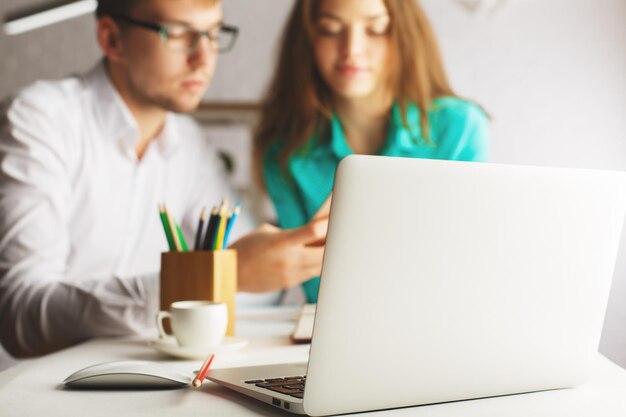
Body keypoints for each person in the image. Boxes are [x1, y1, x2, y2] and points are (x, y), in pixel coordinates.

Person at [0, 0, 328, 358]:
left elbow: (258, 289)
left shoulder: (187, 143)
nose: (204, 58)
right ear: (112, 39)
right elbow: (20, 315)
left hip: (144, 378)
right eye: (178, 34)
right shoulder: (38, 121)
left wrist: (274, 259)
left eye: (213, 34)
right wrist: (216, 278)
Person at [253, 0, 490, 303]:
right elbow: (318, 291)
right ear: (307, 39)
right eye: (330, 29)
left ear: (405, 34)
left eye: (376, 29)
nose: (352, 49)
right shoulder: (283, 152)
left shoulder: (459, 128)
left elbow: (466, 264)